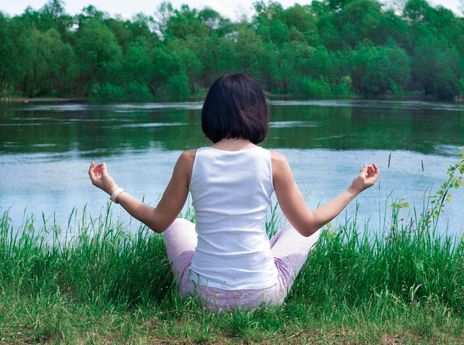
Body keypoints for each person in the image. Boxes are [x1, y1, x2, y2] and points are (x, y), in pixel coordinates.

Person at [88, 73, 379, 312]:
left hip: (201, 297)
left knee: (176, 224)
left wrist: (113, 189)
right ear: (258, 113)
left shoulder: (190, 160)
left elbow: (158, 221)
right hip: (263, 297)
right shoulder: (273, 161)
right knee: (306, 230)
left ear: (210, 113)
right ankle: (258, 258)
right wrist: (353, 189)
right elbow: (307, 225)